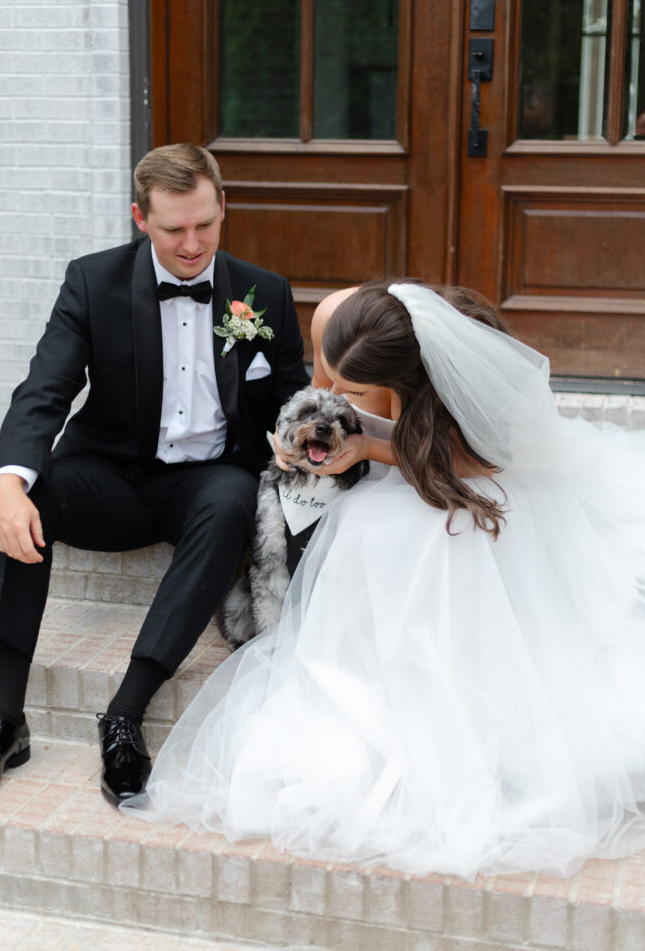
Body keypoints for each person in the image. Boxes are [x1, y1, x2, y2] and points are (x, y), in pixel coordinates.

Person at [122, 279, 645, 879]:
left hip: (473, 469)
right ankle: (348, 671)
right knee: (365, 518)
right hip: (414, 449)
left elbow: (475, 459)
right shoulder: (338, 320)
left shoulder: (457, 394)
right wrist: (320, 443)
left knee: (398, 529)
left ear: (405, 388)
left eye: (353, 390)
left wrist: (371, 447)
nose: (333, 393)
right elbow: (329, 403)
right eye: (329, 378)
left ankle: (425, 688)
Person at [0, 143, 309, 807]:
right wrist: (6, 481)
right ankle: (3, 717)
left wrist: (292, 438)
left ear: (221, 207)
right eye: (173, 228)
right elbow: (44, 389)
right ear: (139, 218)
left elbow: (290, 395)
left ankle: (125, 714)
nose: (191, 244)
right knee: (28, 491)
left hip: (205, 481)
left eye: (204, 224)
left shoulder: (265, 292)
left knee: (232, 497)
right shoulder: (93, 282)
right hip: (110, 478)